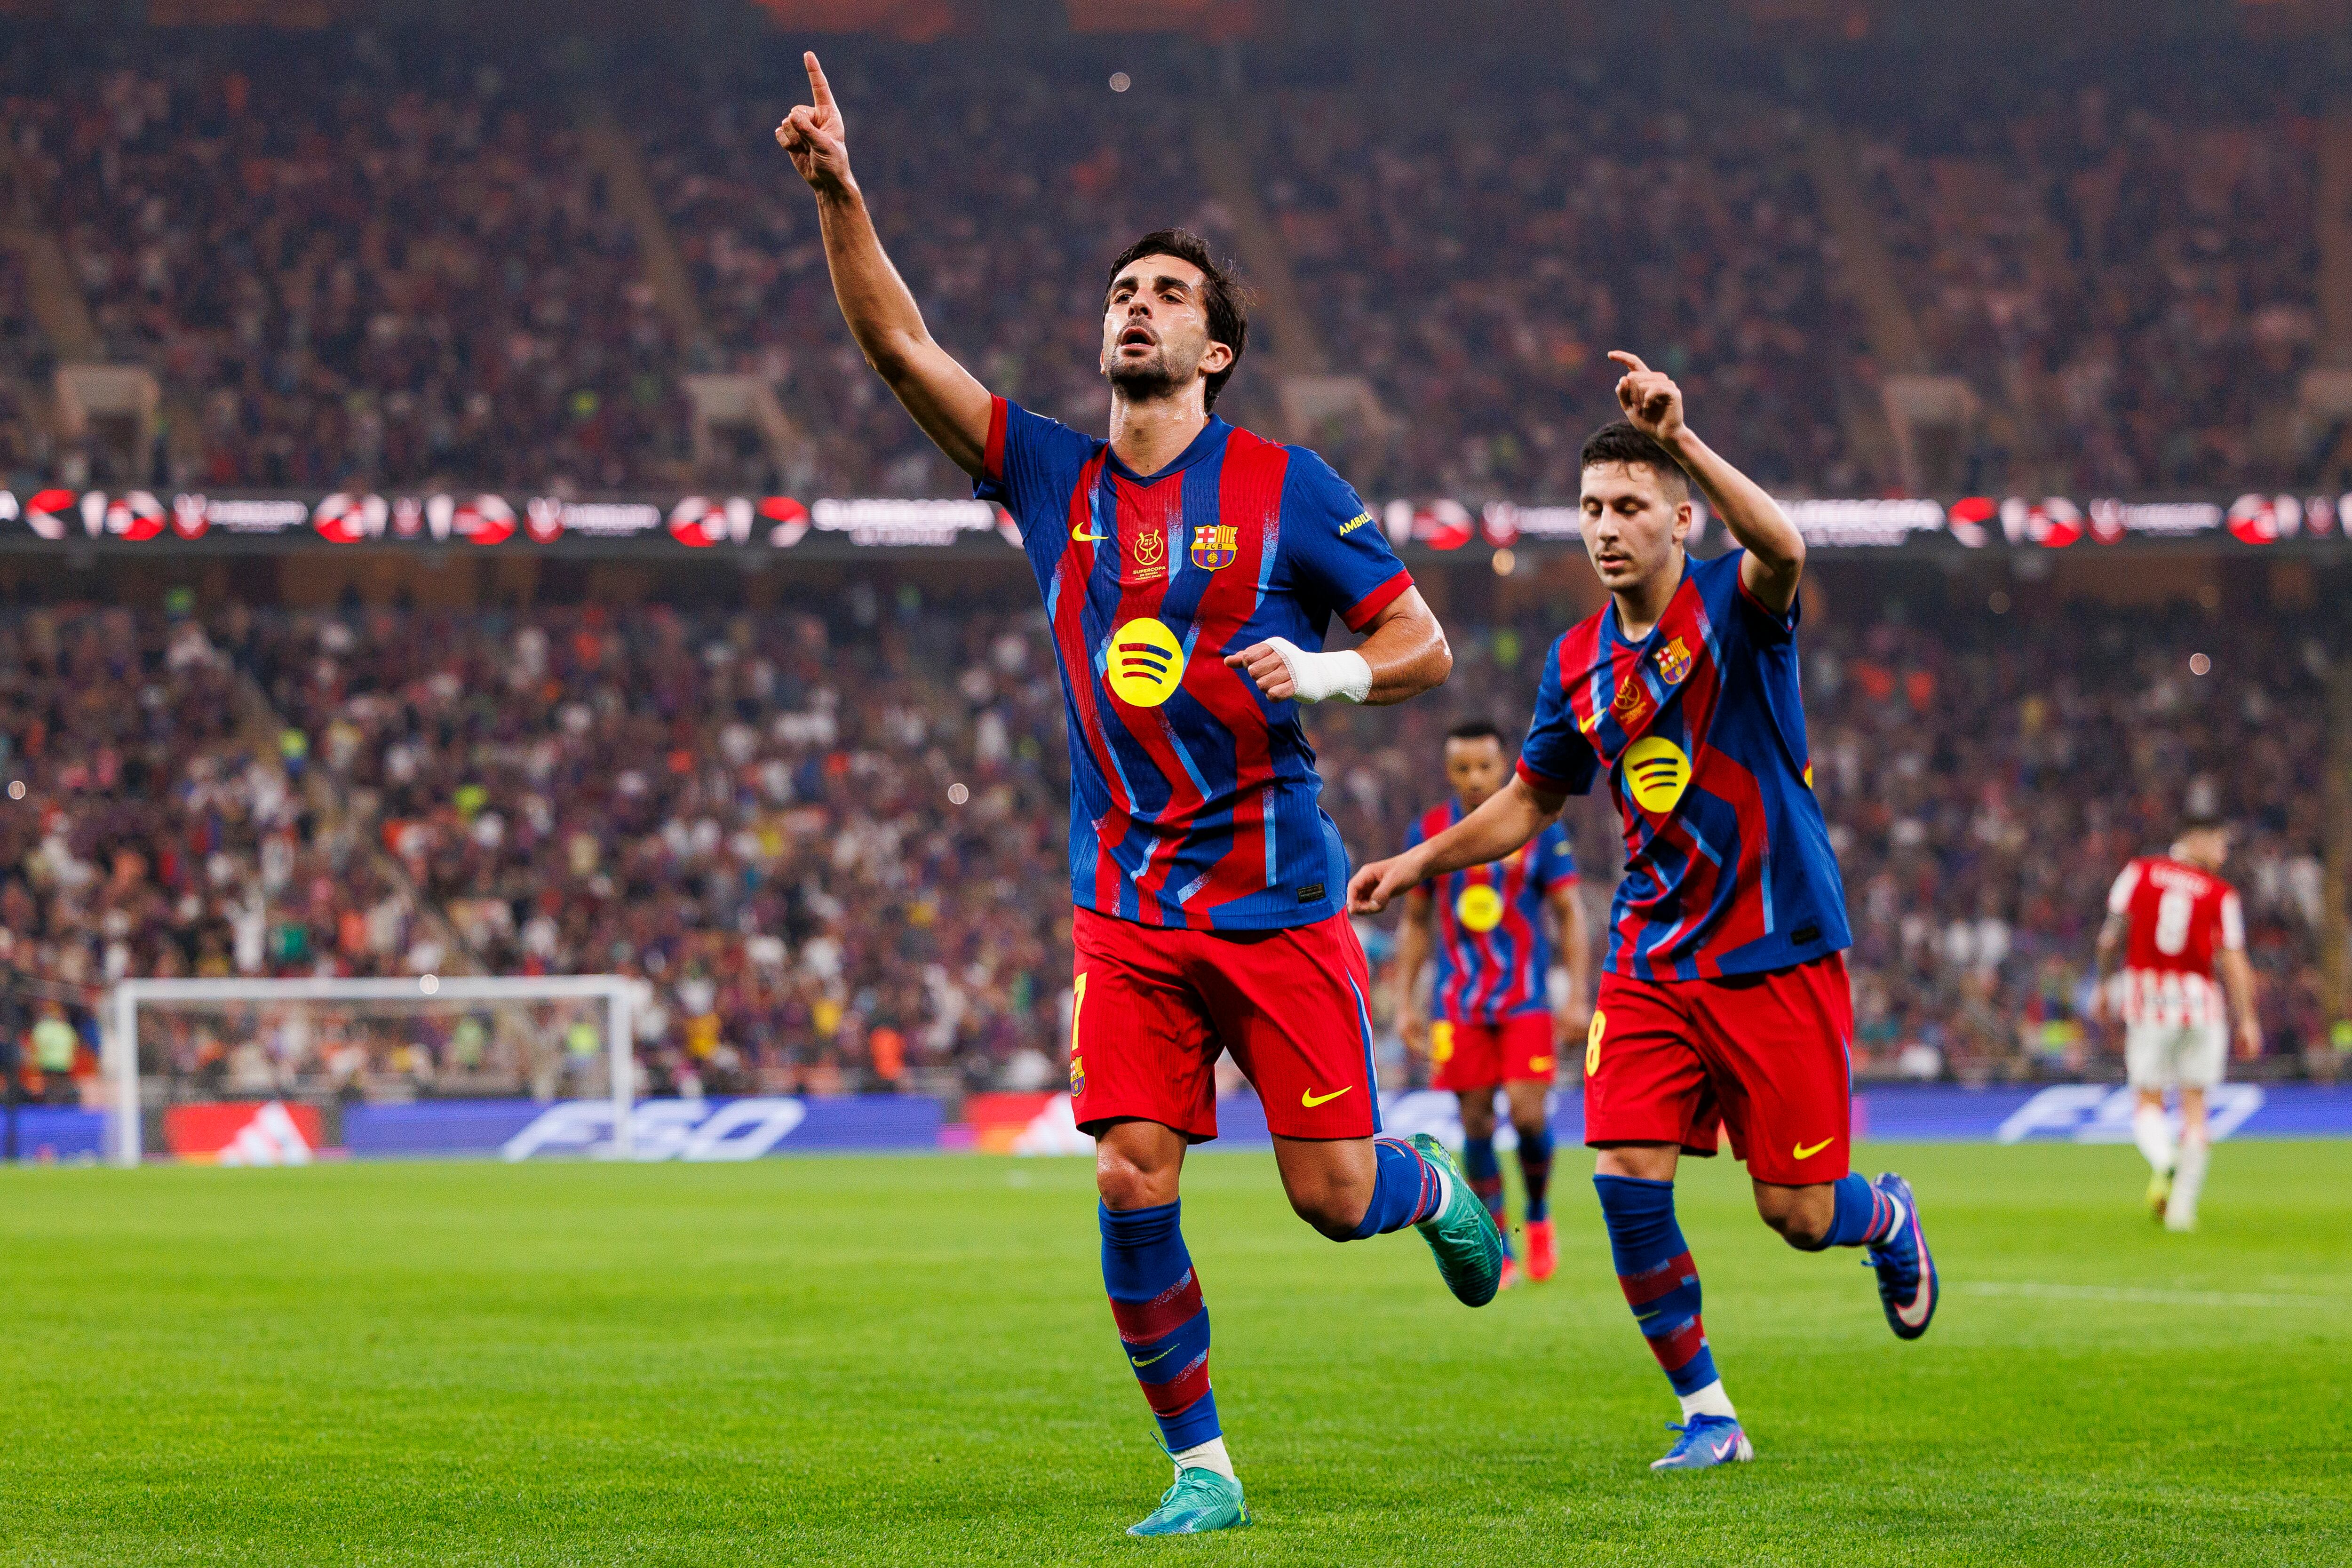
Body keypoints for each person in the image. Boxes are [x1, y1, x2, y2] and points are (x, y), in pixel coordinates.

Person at [775, 53, 1501, 1537]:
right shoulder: (1051, 475)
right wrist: (843, 196)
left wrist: (1334, 675)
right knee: (1126, 1174)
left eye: (1169, 293)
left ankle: (1423, 1187)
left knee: (1329, 1195)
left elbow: (1422, 645)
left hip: (1279, 897)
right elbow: (901, 350)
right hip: (1124, 904)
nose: (1137, 306)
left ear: (1216, 349)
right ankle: (1201, 1468)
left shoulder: (1290, 487)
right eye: (1124, 290)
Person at [1349, 353, 1939, 1473]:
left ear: (1679, 516)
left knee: (1799, 1214)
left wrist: (1684, 439)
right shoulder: (1574, 664)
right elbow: (1530, 798)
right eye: (1590, 511)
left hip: (1775, 945)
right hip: (1653, 956)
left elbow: (1786, 548)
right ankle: (1708, 1411)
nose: (1606, 529)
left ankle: (1887, 1220)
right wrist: (1417, 860)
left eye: (1630, 507)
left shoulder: (1734, 606)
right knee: (1621, 1176)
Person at [1392, 718, 1590, 1286]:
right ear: (1449, 771)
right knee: (1475, 1124)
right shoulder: (1429, 830)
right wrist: (1406, 1003)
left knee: (1528, 1118)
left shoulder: (1537, 827)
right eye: (1463, 769)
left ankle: (1538, 1215)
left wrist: (1576, 995)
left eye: (1484, 767)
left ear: (1502, 766)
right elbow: (1415, 922)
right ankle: (1499, 1244)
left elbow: (1569, 912)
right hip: (1457, 1005)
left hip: (1524, 1001)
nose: (1475, 779)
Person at [2090, 815, 2261, 1231]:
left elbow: (2109, 938)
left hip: (2148, 1002)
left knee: (2147, 1100)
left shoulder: (2139, 872)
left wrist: (2104, 985)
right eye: (2219, 844)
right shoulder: (2221, 894)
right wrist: (2249, 1019)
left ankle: (2164, 1160)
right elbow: (2234, 961)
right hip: (2202, 1005)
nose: (2223, 854)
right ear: (2196, 840)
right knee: (2196, 1108)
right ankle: (2182, 1212)